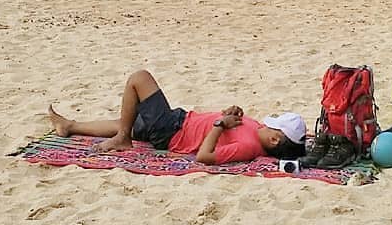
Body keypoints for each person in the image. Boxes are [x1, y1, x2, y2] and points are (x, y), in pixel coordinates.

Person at [47, 68, 306, 165]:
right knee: (125, 121)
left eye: (271, 125)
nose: (265, 123)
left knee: (139, 79)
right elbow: (234, 126)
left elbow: (205, 156)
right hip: (179, 121)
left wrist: (219, 124)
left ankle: (123, 139)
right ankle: (70, 126)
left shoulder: (249, 147)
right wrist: (231, 113)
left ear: (273, 139)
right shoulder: (258, 133)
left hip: (173, 132)